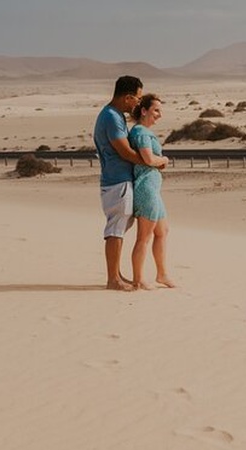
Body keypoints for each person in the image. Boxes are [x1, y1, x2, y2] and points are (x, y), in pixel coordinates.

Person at [93, 76, 165, 291]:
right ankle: (112, 280)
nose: (138, 103)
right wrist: (153, 162)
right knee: (115, 229)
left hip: (119, 180)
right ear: (127, 97)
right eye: (137, 98)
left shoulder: (114, 116)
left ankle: (116, 275)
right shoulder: (111, 117)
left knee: (119, 228)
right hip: (117, 181)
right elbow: (124, 151)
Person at [128, 94, 175, 290]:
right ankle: (138, 279)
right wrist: (163, 160)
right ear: (144, 111)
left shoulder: (144, 132)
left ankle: (162, 274)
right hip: (146, 188)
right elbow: (148, 159)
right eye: (156, 110)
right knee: (144, 236)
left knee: (162, 231)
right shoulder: (141, 133)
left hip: (153, 188)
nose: (159, 115)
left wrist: (158, 162)